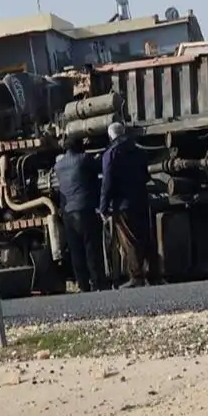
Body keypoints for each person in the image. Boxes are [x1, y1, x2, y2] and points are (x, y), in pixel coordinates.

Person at [99, 122, 158, 288]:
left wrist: (103, 207)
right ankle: (153, 274)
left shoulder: (110, 154)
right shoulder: (138, 151)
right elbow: (146, 175)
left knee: (129, 240)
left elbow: (107, 183)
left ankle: (136, 276)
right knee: (145, 236)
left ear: (110, 136)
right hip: (140, 198)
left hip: (122, 204)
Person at [55, 136, 110, 292]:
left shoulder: (58, 166)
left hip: (68, 213)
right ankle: (98, 282)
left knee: (76, 251)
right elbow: (101, 166)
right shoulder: (84, 159)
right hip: (85, 210)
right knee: (91, 248)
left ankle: (82, 284)